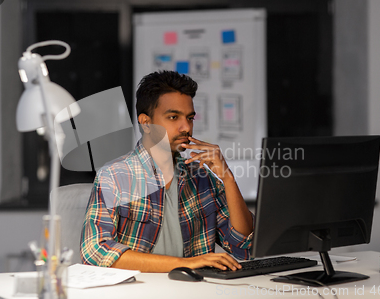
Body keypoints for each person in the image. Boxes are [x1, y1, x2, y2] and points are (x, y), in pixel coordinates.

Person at [81, 71, 254, 272]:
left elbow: (243, 247)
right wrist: (185, 264)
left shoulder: (201, 178)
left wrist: (227, 177)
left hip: (192, 290)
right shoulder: (115, 176)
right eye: (173, 117)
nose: (186, 127)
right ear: (146, 123)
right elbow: (96, 252)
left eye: (190, 118)